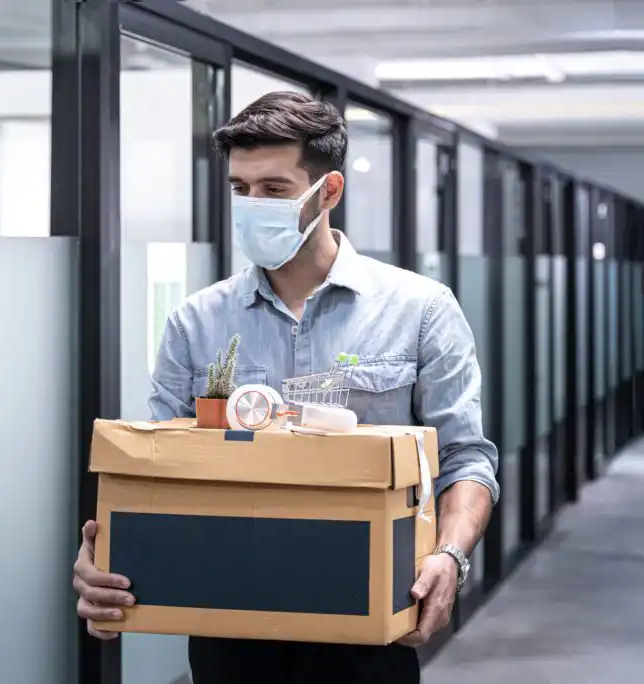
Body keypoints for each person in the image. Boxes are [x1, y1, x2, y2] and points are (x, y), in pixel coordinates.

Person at [72, 91, 499, 683]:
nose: (251, 205)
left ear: (328, 192)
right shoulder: (196, 322)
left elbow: (465, 459)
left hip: (366, 627)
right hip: (229, 629)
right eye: (239, 188)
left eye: (273, 189)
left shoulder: (420, 310)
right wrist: (101, 557)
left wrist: (450, 558)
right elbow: (153, 472)